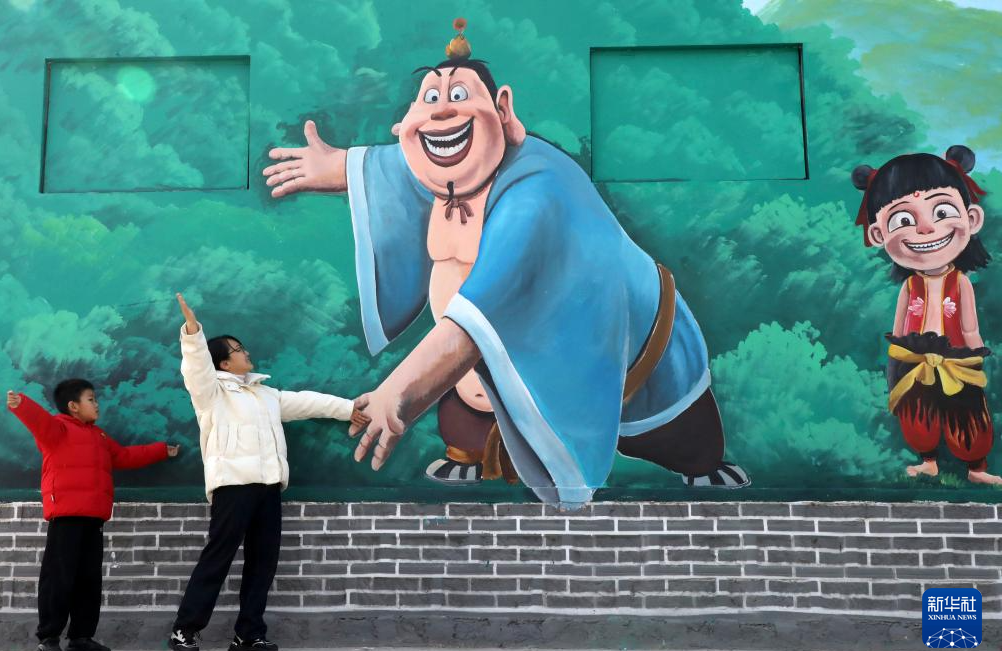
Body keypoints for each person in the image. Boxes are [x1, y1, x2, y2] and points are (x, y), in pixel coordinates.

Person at [263, 19, 748, 506]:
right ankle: (472, 445)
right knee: (465, 415)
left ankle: (702, 463)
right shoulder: (440, 167)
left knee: (684, 439)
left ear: (504, 111)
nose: (442, 111)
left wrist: (398, 395)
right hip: (487, 366)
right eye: (429, 99)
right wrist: (342, 166)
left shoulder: (539, 191)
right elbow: (397, 165)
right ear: (404, 124)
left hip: (628, 351)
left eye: (459, 96)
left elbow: (480, 314)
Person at [168, 293, 368, 651]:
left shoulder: (266, 394)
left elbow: (306, 402)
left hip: (269, 487)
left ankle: (248, 634)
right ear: (224, 363)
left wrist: (348, 408)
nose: (246, 353)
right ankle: (185, 630)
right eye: (238, 350)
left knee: (263, 562)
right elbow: (196, 368)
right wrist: (192, 332)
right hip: (233, 486)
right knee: (218, 557)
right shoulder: (211, 393)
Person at [852, 144, 1000, 485]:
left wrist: (974, 357)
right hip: (914, 357)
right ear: (878, 234)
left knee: (967, 412)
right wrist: (896, 357)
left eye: (941, 211)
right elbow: (899, 324)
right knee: (917, 412)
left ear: (972, 219)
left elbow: (969, 326)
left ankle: (976, 467)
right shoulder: (910, 285)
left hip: (957, 356)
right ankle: (928, 461)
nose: (926, 228)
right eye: (904, 220)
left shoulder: (960, 282)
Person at [6, 381, 177, 651]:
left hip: (93, 518)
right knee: (58, 579)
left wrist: (160, 450)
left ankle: (81, 638)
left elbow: (124, 456)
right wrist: (22, 404)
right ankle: (48, 638)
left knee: (89, 580)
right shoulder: (57, 430)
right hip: (66, 518)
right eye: (91, 399)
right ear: (73, 406)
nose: (97, 404)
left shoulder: (100, 436)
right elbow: (39, 421)